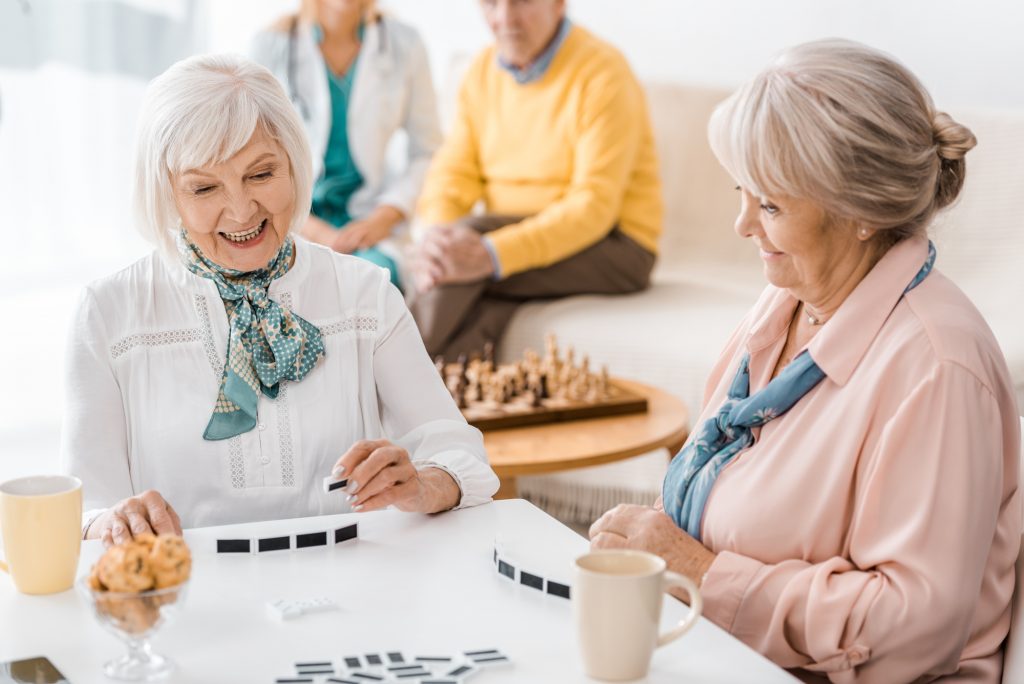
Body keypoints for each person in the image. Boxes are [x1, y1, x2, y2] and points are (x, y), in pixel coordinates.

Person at [589, 39, 1021, 682]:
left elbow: (912, 629)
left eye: (769, 205)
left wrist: (703, 574)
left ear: (861, 214)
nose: (741, 225)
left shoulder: (938, 370)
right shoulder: (783, 304)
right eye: (743, 191)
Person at [60, 54, 497, 546]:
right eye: (204, 187)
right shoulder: (107, 313)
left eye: (261, 175)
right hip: (188, 601)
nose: (242, 209)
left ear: (294, 164)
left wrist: (422, 484)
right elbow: (83, 509)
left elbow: (461, 458)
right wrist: (112, 522)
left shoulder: (366, 294)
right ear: (166, 194)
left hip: (353, 594)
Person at [408, 0, 663, 360]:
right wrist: (435, 234)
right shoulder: (481, 71)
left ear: (558, 4)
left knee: (469, 242)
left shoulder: (604, 71)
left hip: (617, 245)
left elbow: (594, 206)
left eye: (522, 1)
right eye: (491, 4)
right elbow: (453, 172)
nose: (505, 18)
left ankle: (379, 374)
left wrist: (492, 254)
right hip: (525, 234)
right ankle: (448, 407)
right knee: (464, 268)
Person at [251, 0, 441, 289]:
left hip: (369, 222)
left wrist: (383, 218)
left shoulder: (404, 44)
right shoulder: (273, 45)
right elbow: (251, 158)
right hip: (292, 219)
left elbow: (427, 151)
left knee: (375, 281)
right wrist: (311, 228)